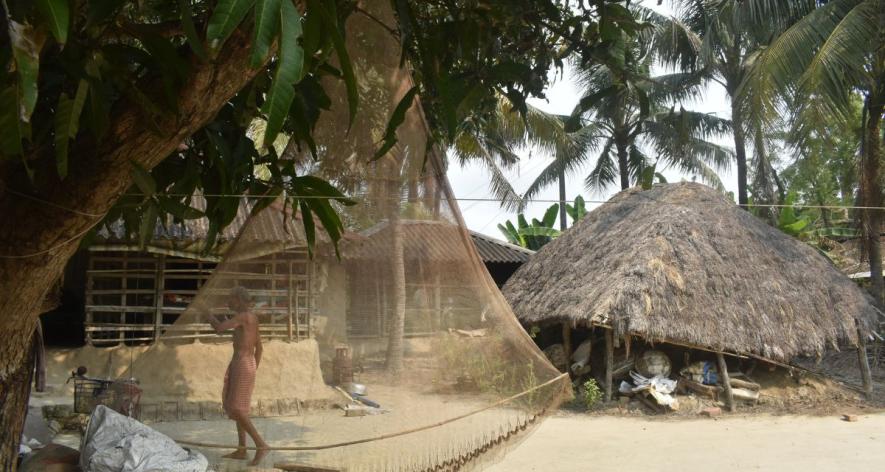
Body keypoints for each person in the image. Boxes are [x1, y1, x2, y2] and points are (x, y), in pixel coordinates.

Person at [207, 286, 269, 465]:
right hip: (244, 364)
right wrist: (253, 368)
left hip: (242, 364)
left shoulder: (243, 317)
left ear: (240, 300)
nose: (228, 302)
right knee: (236, 407)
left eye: (231, 299)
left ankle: (261, 445)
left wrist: (207, 314)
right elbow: (259, 348)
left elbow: (219, 328)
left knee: (237, 408)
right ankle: (242, 449)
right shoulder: (252, 318)